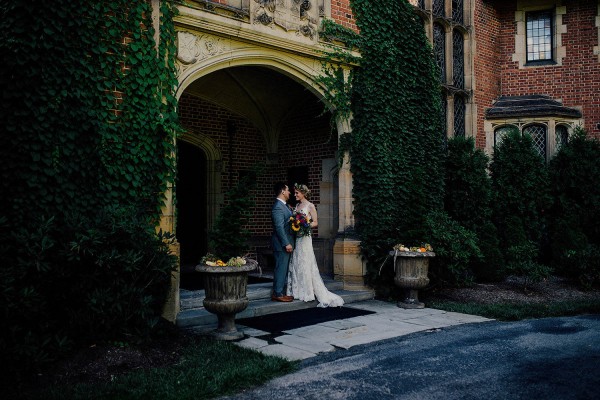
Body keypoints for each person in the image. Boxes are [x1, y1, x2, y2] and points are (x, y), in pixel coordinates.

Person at [287, 183, 344, 308]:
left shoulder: (310, 205)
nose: (295, 195)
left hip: (305, 238)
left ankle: (308, 291)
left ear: (303, 193)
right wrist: (296, 224)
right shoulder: (297, 206)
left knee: (306, 261)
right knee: (297, 261)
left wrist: (305, 224)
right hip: (298, 237)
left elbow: (316, 222)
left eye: (297, 192)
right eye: (295, 192)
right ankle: (297, 290)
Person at [271, 182, 294, 302]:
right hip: (281, 244)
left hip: (287, 242)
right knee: (281, 267)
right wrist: (286, 243)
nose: (289, 192)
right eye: (288, 190)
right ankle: (278, 293)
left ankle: (280, 291)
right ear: (283, 191)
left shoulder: (285, 206)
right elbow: (279, 228)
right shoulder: (278, 207)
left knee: (283, 268)